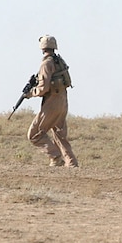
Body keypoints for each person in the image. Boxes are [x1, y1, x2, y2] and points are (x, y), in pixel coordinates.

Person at [25, 35, 78, 167]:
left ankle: (55, 156)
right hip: (63, 101)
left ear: (42, 48)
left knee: (34, 135)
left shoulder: (46, 64)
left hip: (52, 103)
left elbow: (43, 88)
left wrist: (30, 93)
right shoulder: (59, 61)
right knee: (60, 135)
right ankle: (71, 164)